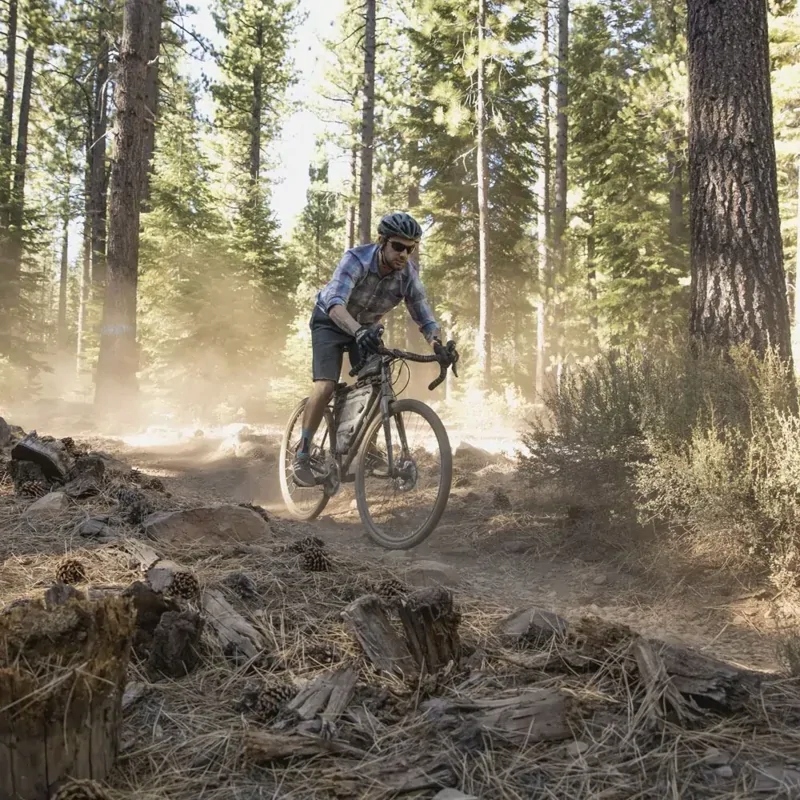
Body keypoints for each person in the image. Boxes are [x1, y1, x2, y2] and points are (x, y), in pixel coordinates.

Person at [292, 211, 456, 487]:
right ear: (382, 241)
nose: (404, 254)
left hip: (365, 328)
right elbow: (335, 303)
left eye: (410, 248)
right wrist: (356, 331)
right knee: (327, 385)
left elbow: (423, 315)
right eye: (398, 246)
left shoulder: (407, 276)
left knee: (375, 383)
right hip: (331, 320)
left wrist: (437, 344)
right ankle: (303, 452)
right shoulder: (356, 260)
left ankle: (363, 447)